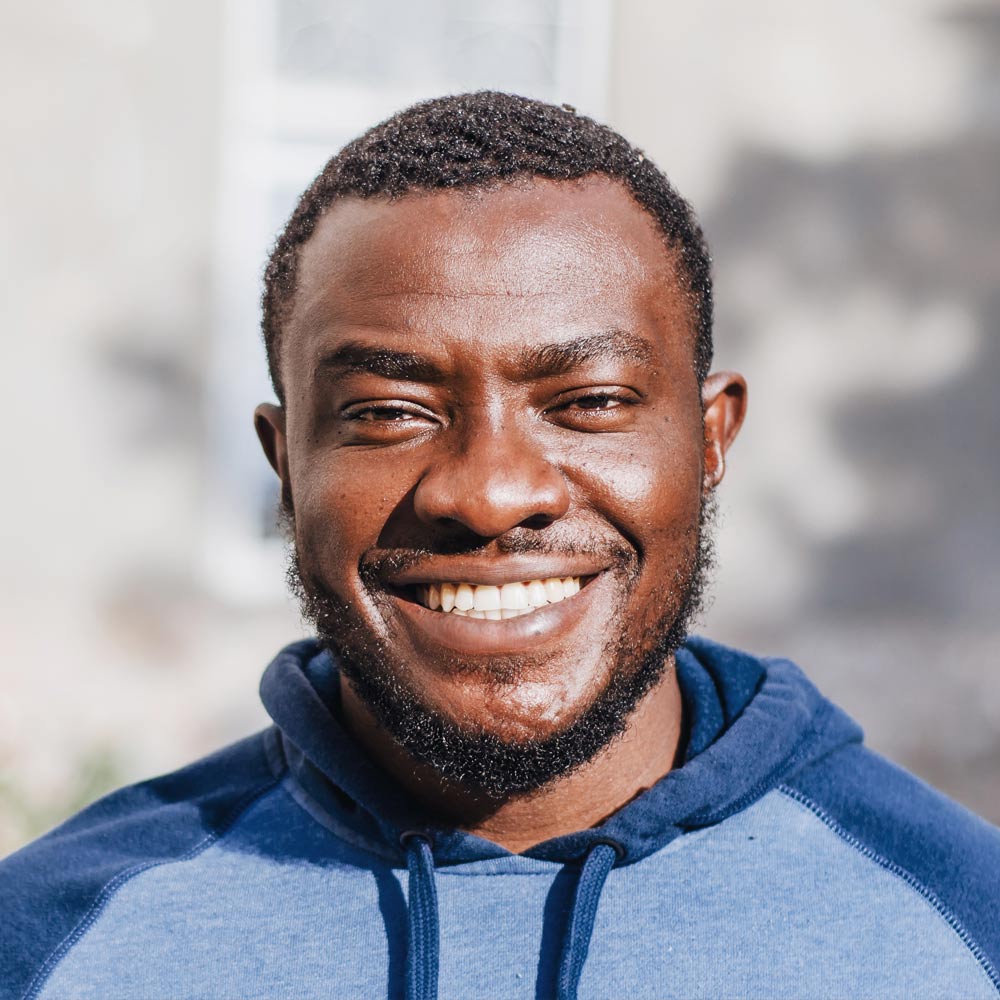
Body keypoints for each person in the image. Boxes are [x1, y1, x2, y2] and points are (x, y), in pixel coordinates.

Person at [2, 91, 998, 1000]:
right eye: (388, 412)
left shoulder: (964, 927)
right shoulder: (46, 942)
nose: (486, 494)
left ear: (709, 441)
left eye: (589, 402)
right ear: (285, 463)